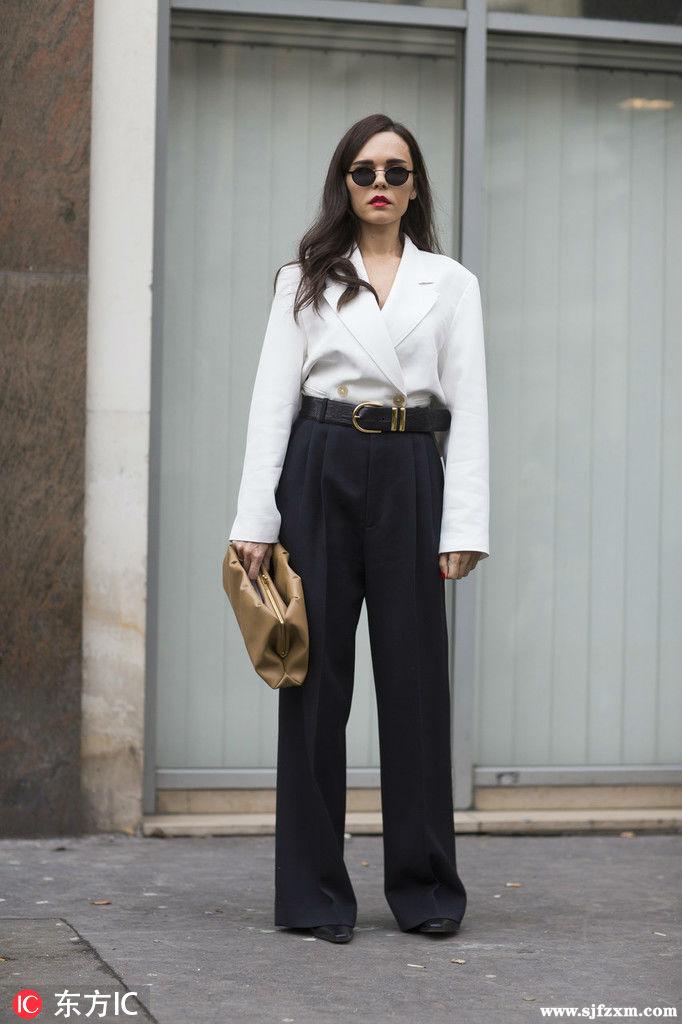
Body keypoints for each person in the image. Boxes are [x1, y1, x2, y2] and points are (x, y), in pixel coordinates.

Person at [229, 112, 489, 944]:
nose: (380, 183)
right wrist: (255, 518)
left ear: (415, 188)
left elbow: (472, 408)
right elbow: (272, 401)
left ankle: (426, 890)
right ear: (344, 182)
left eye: (396, 171)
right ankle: (311, 894)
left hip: (413, 471)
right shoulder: (303, 278)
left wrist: (465, 523)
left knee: (416, 686)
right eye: (364, 170)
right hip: (320, 465)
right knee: (314, 687)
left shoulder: (451, 283)